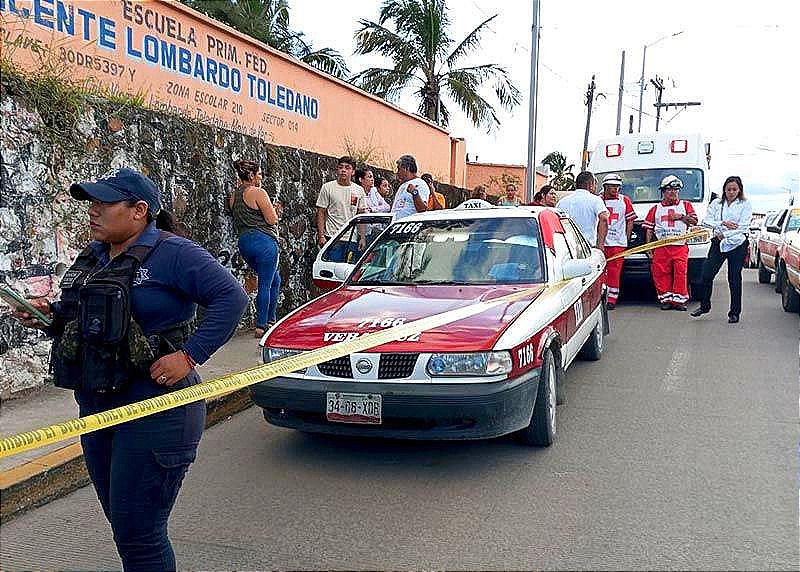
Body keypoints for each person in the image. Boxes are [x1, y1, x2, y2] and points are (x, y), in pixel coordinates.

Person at [11, 168, 248, 571]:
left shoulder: (174, 254)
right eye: (92, 202)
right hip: (97, 408)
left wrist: (189, 355)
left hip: (157, 409)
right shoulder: (96, 255)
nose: (93, 211)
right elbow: (92, 320)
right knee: (125, 527)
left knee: (141, 534)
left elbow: (232, 298)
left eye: (105, 203)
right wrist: (48, 317)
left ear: (139, 211)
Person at [229, 159, 281, 337]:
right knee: (265, 283)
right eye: (259, 174)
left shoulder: (234, 196)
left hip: (245, 242)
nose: (261, 177)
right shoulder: (258, 192)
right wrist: (275, 211)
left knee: (275, 280)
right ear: (251, 175)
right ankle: (261, 325)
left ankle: (271, 319)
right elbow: (272, 219)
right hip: (264, 241)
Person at [691, 176, 752, 323]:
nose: (731, 192)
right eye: (728, 189)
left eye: (734, 189)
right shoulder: (716, 203)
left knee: (734, 278)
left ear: (739, 190)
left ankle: (734, 312)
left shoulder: (745, 204)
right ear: (724, 189)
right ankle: (705, 306)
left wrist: (724, 233)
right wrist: (723, 223)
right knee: (706, 274)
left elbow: (742, 227)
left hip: (737, 244)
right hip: (718, 243)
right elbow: (706, 221)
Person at [642, 174, 698, 310]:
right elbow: (649, 229)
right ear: (663, 192)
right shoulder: (655, 209)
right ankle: (665, 300)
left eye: (675, 189)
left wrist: (682, 217)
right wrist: (648, 247)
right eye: (669, 190)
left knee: (680, 272)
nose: (673, 192)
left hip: (680, 246)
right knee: (660, 273)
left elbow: (694, 221)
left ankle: (679, 301)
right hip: (661, 247)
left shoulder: (686, 205)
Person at [600, 174, 636, 309]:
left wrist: (626, 238)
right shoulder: (598, 200)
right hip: (601, 243)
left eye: (617, 186)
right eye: (612, 186)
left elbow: (630, 220)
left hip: (617, 243)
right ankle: (601, 297)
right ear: (605, 187)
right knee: (601, 271)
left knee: (614, 272)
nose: (615, 189)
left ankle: (611, 300)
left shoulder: (624, 200)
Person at [316, 156, 367, 246]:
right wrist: (321, 235)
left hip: (351, 238)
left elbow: (361, 215)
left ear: (353, 172)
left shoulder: (359, 190)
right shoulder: (327, 187)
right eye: (341, 167)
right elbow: (321, 212)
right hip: (331, 237)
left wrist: (362, 238)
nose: (343, 170)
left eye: (347, 168)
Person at [556, 171, 610, 248]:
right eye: (595, 184)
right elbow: (604, 218)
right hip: (588, 249)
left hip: (567, 248)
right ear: (590, 185)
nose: (596, 187)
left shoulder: (561, 202)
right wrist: (600, 245)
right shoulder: (595, 200)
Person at [391, 154, 429, 219]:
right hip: (396, 225)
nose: (397, 172)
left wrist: (415, 193)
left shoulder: (421, 184)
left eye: (399, 169)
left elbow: (423, 209)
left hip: (407, 226)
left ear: (406, 168)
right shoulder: (403, 185)